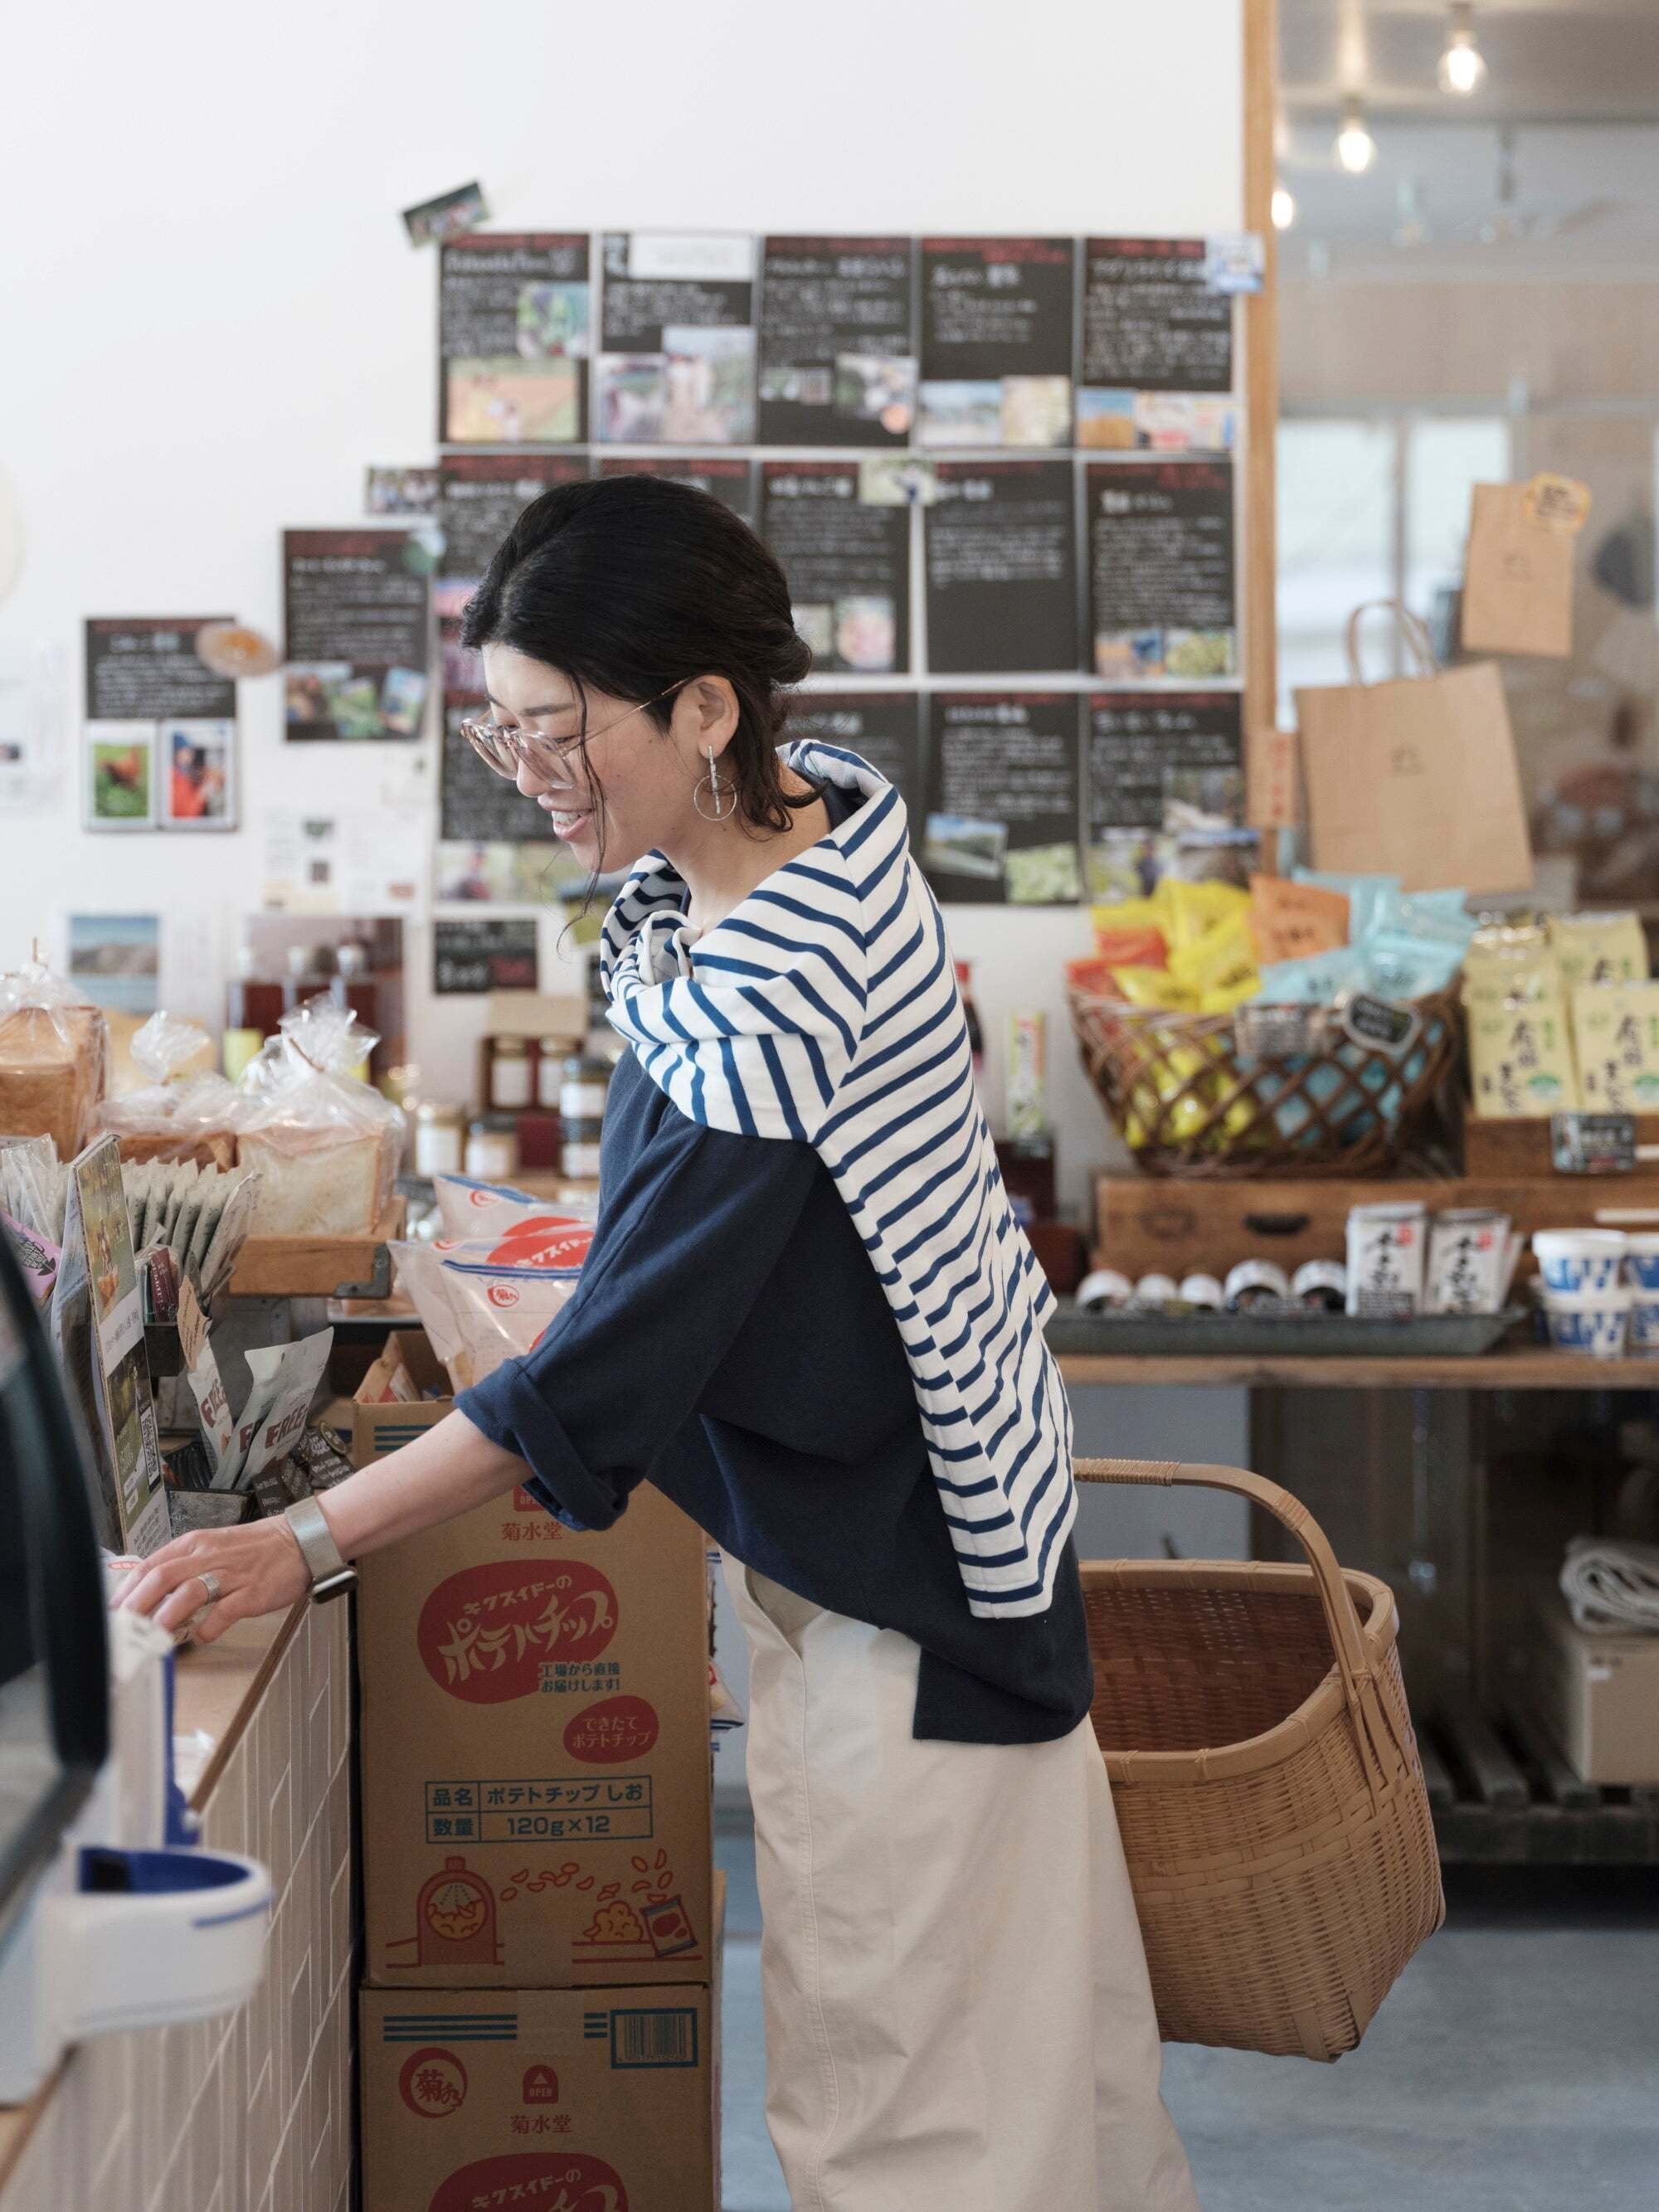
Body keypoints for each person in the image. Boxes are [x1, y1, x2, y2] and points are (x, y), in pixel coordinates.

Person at [117, 477, 1198, 2212]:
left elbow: (609, 1377)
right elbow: (732, 1243)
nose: (537, 772)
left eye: (562, 730)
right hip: (950, 1533)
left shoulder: (776, 982)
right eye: (506, 732)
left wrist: (296, 1541)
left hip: (903, 1603)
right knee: (1053, 2086)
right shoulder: (816, 827)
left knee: (906, 2127)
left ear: (706, 708)